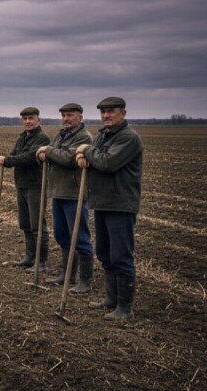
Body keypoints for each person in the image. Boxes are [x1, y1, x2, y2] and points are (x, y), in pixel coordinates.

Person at [76, 97, 143, 321]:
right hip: (102, 202)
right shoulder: (104, 135)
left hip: (121, 204)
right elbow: (95, 158)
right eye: (103, 112)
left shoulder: (128, 138)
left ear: (122, 113)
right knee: (105, 253)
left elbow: (107, 163)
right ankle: (111, 299)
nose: (106, 116)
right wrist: (83, 155)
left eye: (111, 112)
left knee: (121, 255)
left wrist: (86, 149)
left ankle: (125, 307)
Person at [37, 103, 94, 292]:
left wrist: (48, 151)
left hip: (74, 194)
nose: (66, 119)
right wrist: (44, 153)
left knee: (80, 237)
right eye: (63, 115)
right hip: (58, 192)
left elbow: (69, 159)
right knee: (62, 235)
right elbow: (52, 153)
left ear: (80, 117)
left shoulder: (83, 137)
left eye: (70, 115)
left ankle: (85, 280)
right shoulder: (61, 135)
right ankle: (68, 274)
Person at [0, 107, 51, 272]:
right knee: (25, 223)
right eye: (25, 119)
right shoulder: (22, 138)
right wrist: (11, 159)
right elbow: (16, 154)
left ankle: (40, 262)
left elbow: (28, 157)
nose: (27, 121)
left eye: (31, 118)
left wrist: (8, 160)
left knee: (37, 225)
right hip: (21, 184)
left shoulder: (42, 138)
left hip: (35, 186)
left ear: (38, 120)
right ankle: (29, 257)